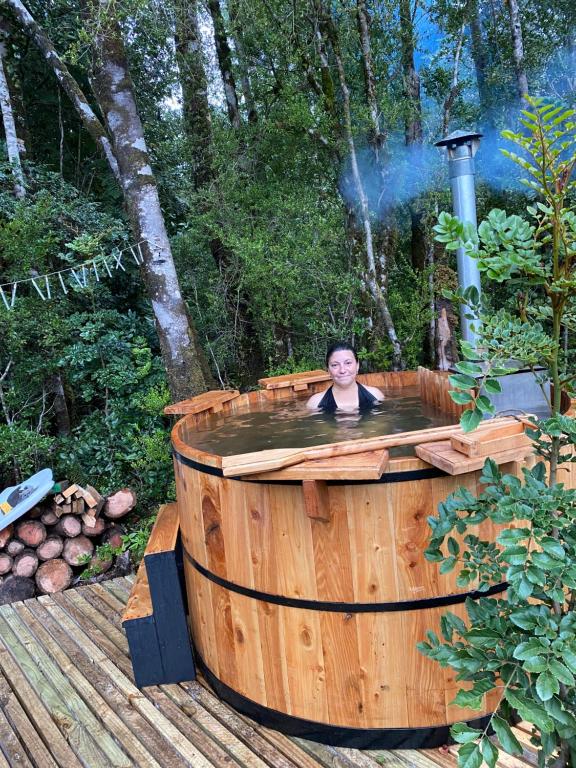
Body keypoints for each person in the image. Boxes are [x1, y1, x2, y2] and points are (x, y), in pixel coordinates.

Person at [306, 342, 385, 412]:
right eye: (335, 365)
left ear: (357, 365)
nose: (342, 370)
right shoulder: (315, 403)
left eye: (348, 363)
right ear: (328, 370)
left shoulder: (375, 395)